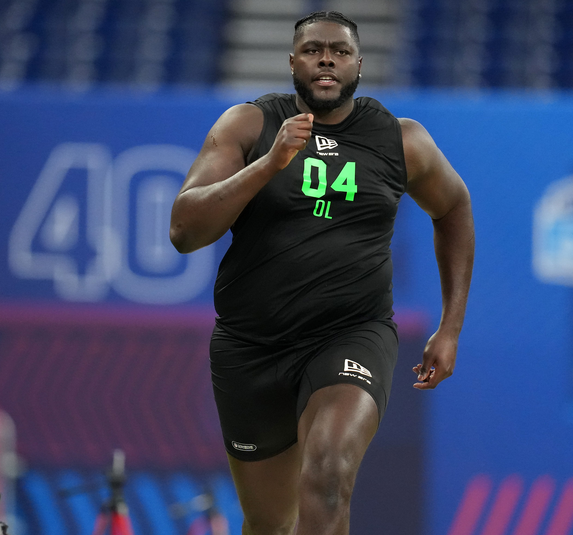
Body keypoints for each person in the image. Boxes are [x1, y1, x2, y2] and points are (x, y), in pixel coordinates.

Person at [170, 11, 474, 535]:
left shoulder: (402, 140)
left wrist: (451, 326)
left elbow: (454, 209)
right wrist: (267, 164)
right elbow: (184, 230)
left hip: (351, 333)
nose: (326, 57)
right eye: (313, 50)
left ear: (358, 63)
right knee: (270, 523)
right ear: (292, 63)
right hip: (252, 345)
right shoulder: (249, 124)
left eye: (338, 49)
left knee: (329, 474)